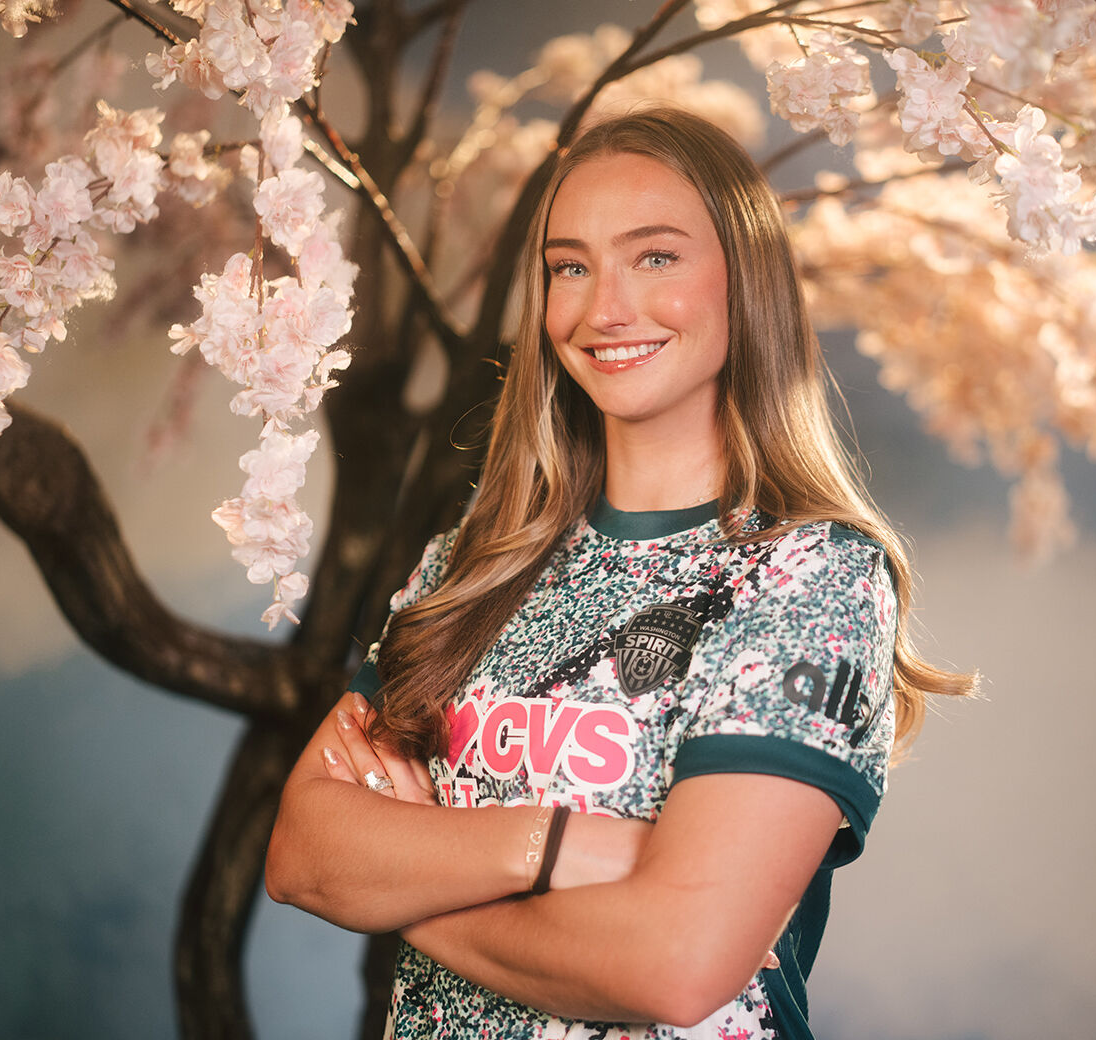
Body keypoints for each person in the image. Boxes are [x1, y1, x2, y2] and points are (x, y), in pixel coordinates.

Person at [265, 106, 975, 1039]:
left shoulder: (810, 578)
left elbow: (673, 967)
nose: (604, 309)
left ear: (746, 281)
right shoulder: (472, 562)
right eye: (569, 267)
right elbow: (304, 853)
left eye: (655, 257)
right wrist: (560, 844)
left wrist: (402, 889)